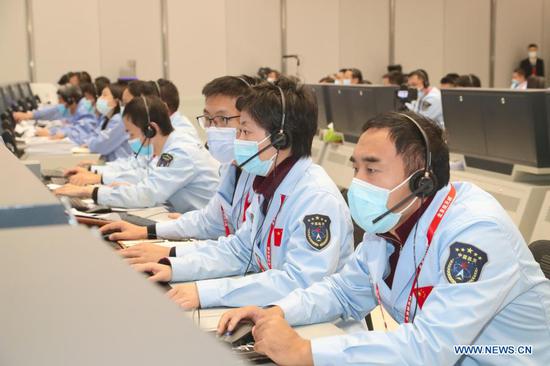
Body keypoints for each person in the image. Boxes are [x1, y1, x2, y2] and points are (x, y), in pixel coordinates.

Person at [217, 111, 550, 365]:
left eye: (371, 169)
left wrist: (306, 351)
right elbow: (344, 292)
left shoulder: (476, 231)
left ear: (423, 180)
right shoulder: (391, 222)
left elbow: (431, 347)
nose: (358, 181)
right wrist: (277, 312)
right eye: (356, 168)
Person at [132, 78, 354, 310]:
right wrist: (173, 266)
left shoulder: (315, 198)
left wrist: (205, 293)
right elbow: (239, 249)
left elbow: (298, 282)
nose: (238, 140)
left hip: (319, 325)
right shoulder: (270, 181)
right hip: (275, 306)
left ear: (280, 139)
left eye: (245, 132)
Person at [99, 75, 260, 262]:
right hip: (219, 247)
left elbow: (243, 250)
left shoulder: (182, 148)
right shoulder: (231, 167)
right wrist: (150, 232)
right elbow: (211, 221)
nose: (212, 128)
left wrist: (170, 254)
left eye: (222, 119)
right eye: (208, 118)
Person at [54, 96, 219, 213]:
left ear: (150, 129)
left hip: (203, 228)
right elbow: (149, 182)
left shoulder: (179, 152)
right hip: (183, 216)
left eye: (131, 134)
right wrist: (122, 187)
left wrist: (89, 192)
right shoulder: (168, 148)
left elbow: (146, 195)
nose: (129, 139)